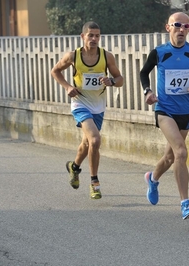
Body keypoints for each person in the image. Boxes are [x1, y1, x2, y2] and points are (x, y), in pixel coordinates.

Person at [139, 12, 189, 220]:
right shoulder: (159, 52)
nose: (182, 30)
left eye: (186, 26)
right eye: (177, 25)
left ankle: (153, 178)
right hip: (164, 109)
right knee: (181, 152)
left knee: (170, 157)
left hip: (186, 111)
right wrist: (148, 91)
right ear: (168, 28)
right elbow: (143, 73)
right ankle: (185, 204)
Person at [51, 21, 123, 199]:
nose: (94, 39)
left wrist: (111, 82)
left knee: (87, 143)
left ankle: (74, 167)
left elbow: (120, 79)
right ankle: (94, 182)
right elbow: (55, 71)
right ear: (83, 37)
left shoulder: (106, 57)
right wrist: (68, 87)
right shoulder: (73, 56)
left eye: (97, 36)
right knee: (95, 140)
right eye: (90, 35)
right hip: (80, 104)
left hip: (98, 106)